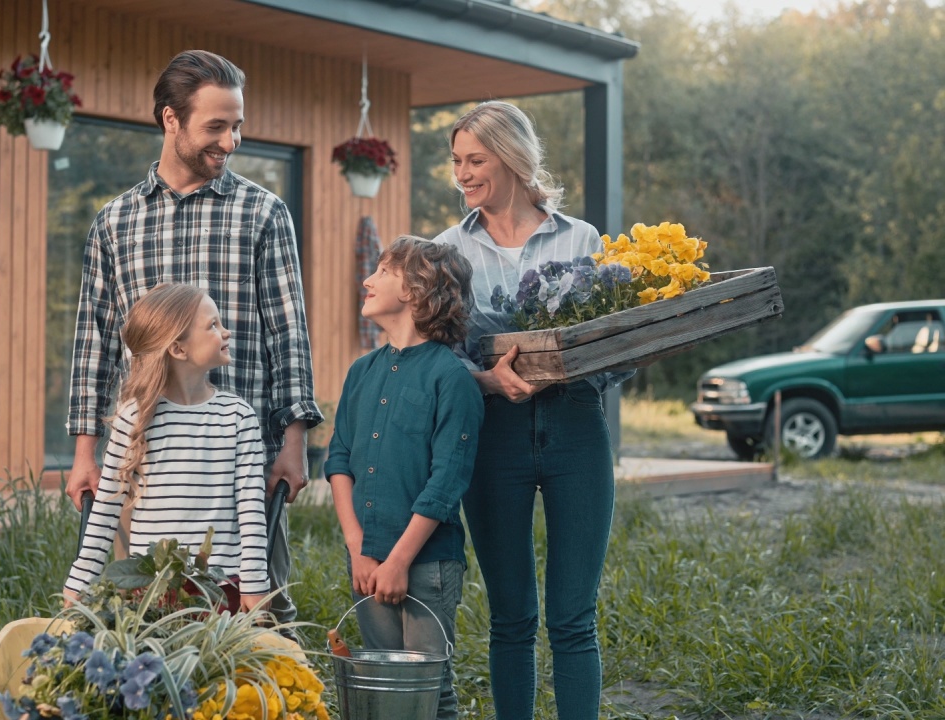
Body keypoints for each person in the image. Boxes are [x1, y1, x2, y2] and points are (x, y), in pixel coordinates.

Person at [65, 50, 321, 627]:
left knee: (256, 610)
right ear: (170, 120)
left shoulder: (263, 213)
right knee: (147, 615)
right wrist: (86, 451)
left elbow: (289, 332)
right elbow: (95, 342)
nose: (231, 141)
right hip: (147, 458)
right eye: (216, 126)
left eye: (237, 126)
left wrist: (294, 440)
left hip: (240, 456)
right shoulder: (115, 223)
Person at [432, 101, 633, 720]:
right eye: (457, 162)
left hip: (577, 429)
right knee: (512, 616)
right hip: (493, 439)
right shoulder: (446, 249)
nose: (463, 174)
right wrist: (487, 382)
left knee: (575, 616)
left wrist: (608, 355)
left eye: (476, 160)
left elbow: (614, 345)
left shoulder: (582, 239)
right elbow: (435, 359)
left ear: (513, 158)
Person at [324, 236, 484, 720]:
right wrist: (359, 549)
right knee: (384, 690)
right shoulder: (360, 371)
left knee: (429, 692)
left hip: (426, 564)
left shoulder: (451, 378)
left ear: (417, 289)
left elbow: (445, 483)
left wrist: (397, 562)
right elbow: (338, 460)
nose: (367, 280)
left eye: (383, 272)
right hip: (368, 561)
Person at [64, 284, 268, 611]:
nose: (226, 331)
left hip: (221, 591)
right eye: (213, 325)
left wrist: (256, 585)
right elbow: (105, 512)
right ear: (178, 348)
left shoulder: (238, 417)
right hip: (150, 592)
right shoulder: (133, 420)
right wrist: (80, 582)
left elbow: (252, 511)